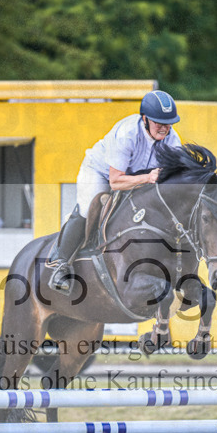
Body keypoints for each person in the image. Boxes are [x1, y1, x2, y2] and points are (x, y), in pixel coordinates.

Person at [48, 90, 184, 290]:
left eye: (168, 123)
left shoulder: (172, 140)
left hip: (138, 177)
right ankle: (60, 264)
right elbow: (116, 182)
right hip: (101, 173)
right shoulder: (127, 134)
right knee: (88, 207)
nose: (164, 128)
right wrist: (148, 178)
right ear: (145, 119)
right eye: (159, 123)